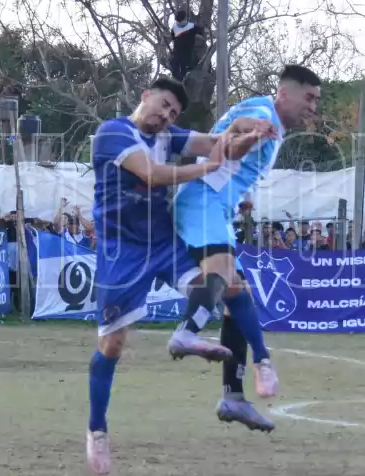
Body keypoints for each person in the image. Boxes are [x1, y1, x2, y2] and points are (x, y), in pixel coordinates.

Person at [84, 77, 269, 475]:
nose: (166, 116)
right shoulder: (114, 131)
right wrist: (206, 168)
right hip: (123, 252)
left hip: (164, 242)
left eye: (173, 113)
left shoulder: (169, 135)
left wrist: (250, 129)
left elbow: (216, 142)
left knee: (225, 282)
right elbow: (150, 174)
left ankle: (227, 372)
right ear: (145, 96)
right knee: (112, 346)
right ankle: (97, 429)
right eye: (164, 105)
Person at [170, 65, 321, 400]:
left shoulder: (274, 124)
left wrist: (245, 197)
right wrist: (252, 131)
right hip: (203, 201)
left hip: (215, 204)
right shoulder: (262, 112)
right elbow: (235, 135)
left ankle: (235, 393)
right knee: (224, 275)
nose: (312, 106)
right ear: (284, 93)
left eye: (316, 100)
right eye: (308, 97)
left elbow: (240, 165)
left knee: (237, 294)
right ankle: (187, 331)